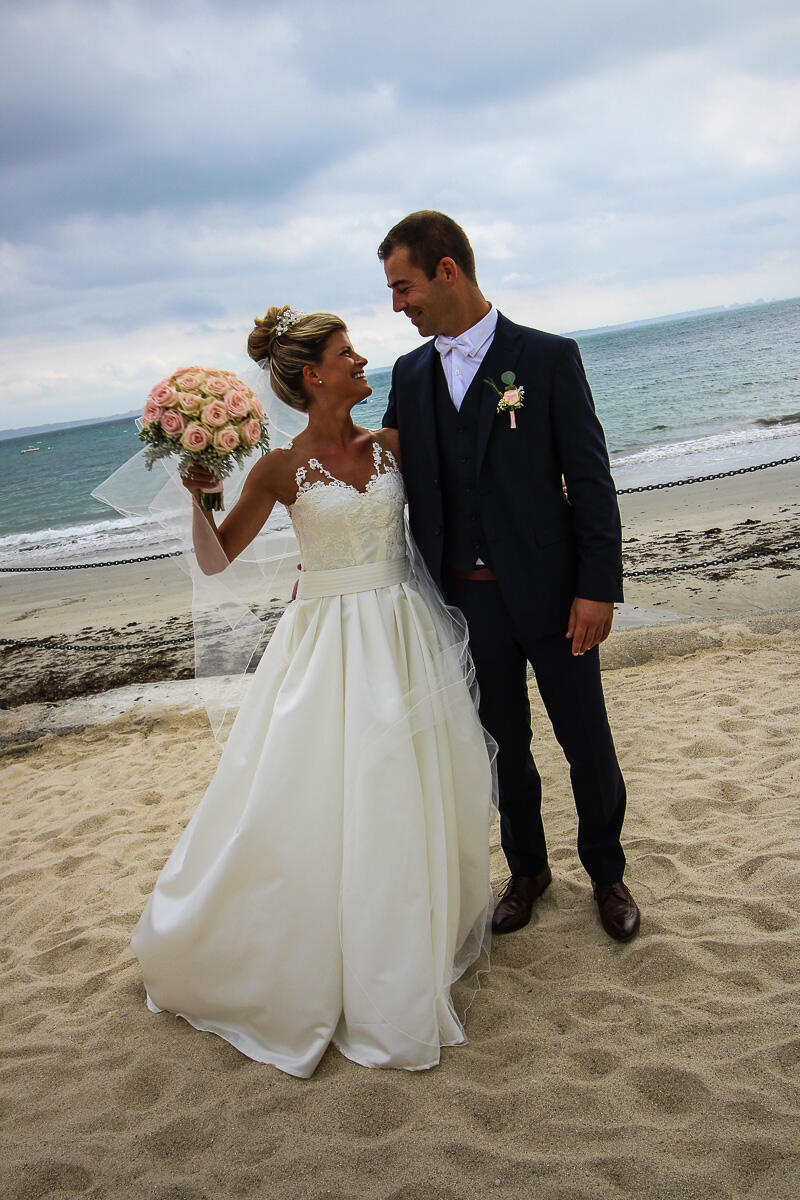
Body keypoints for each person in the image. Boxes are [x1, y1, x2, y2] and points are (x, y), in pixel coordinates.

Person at [125, 307, 496, 1077]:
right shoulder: (279, 469)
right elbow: (221, 559)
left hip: (404, 630)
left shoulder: (394, 444)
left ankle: (407, 938)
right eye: (346, 353)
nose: (363, 360)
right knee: (334, 792)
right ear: (313, 377)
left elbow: (465, 492)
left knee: (411, 786)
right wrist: (202, 494)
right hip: (328, 645)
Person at [378, 211, 640, 942]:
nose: (398, 305)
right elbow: (385, 466)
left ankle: (607, 873)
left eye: (404, 287)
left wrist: (597, 587)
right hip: (464, 601)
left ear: (447, 271)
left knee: (586, 741)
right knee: (502, 747)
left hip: (557, 597)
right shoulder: (408, 373)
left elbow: (590, 481)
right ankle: (528, 872)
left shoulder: (549, 358)